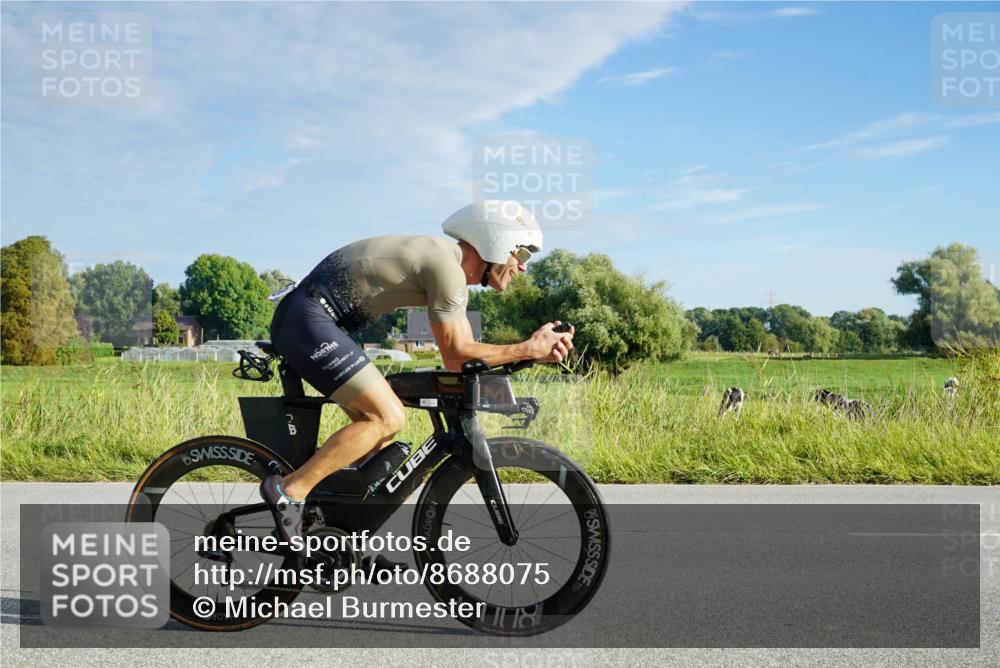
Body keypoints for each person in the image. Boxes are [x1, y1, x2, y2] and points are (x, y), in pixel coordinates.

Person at [260, 200, 575, 542]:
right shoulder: (447, 268)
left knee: (381, 433)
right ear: (496, 241)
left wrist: (532, 354)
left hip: (314, 320)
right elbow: (457, 355)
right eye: (522, 254)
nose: (522, 267)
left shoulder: (446, 264)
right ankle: (289, 491)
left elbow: (469, 354)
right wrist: (528, 348)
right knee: (386, 417)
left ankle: (332, 531)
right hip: (307, 320)